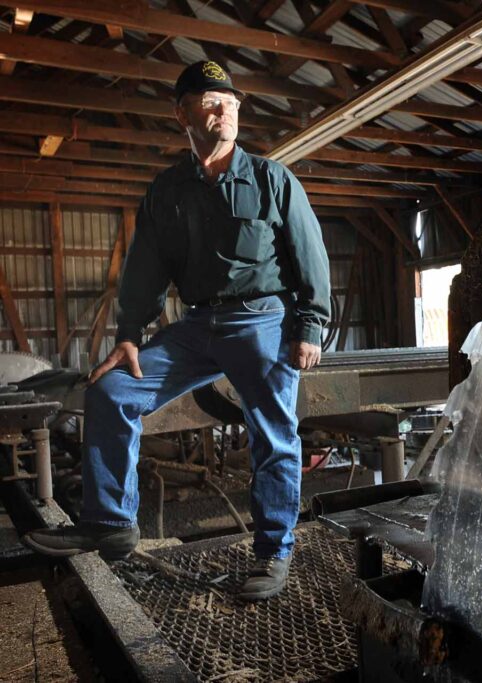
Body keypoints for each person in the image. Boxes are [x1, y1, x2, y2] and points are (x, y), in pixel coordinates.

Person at [23, 60, 331, 601]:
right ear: (182, 115)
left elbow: (311, 255)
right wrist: (128, 334)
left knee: (273, 434)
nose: (224, 113)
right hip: (197, 325)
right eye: (211, 104)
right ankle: (110, 524)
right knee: (112, 391)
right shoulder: (168, 190)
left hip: (261, 321)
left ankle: (273, 551)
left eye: (230, 104)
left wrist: (311, 325)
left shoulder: (272, 179)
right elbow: (145, 268)